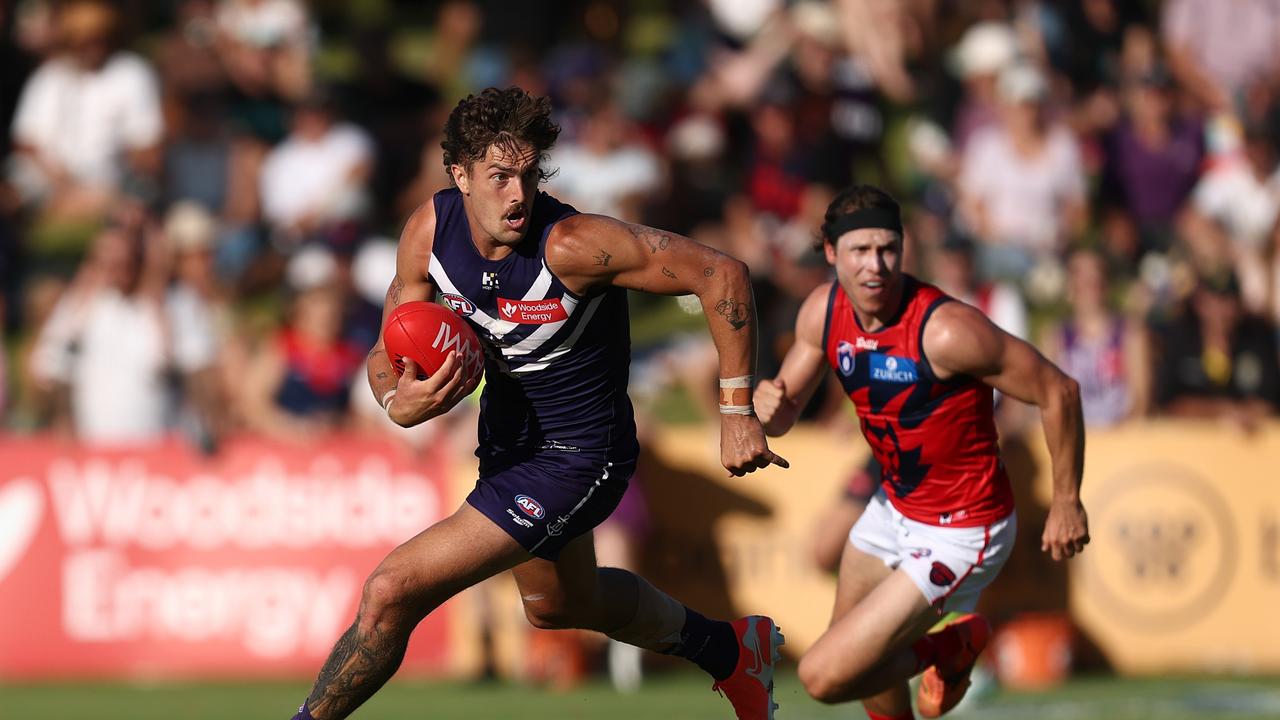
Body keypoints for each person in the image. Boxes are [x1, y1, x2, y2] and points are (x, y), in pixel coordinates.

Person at [289, 87, 789, 720]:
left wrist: (736, 410)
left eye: (528, 175)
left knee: (392, 590)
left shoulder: (573, 244)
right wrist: (396, 397)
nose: (518, 194)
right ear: (460, 175)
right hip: (509, 446)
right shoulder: (429, 233)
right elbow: (389, 348)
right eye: (499, 177)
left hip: (583, 455)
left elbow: (722, 274)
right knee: (557, 607)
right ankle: (731, 652)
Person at [754, 185, 1089, 719]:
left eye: (888, 249)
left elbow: (1059, 390)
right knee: (857, 659)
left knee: (823, 675)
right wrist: (767, 406)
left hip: (964, 526)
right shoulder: (822, 311)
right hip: (895, 505)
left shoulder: (947, 330)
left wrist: (1067, 499)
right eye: (861, 251)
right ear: (831, 253)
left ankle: (951, 645)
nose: (877, 265)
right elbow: (784, 411)